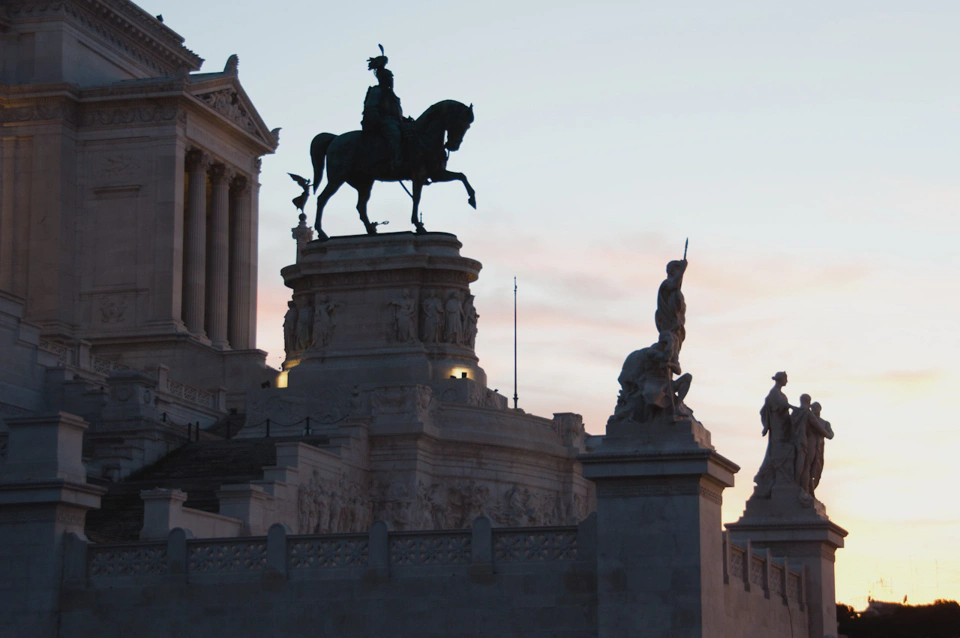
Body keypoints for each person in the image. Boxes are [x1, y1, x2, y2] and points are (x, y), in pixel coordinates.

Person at [362, 48, 404, 172]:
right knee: (394, 133)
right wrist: (379, 120)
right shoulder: (377, 91)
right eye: (388, 77)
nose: (391, 80)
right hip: (383, 123)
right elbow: (371, 108)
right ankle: (395, 160)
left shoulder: (392, 95)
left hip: (395, 121)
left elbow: (395, 113)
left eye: (391, 77)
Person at [753, 371, 792, 497]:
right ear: (781, 379)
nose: (787, 380)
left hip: (783, 425)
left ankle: (779, 476)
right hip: (777, 426)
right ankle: (767, 476)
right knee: (776, 449)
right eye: (785, 378)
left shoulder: (780, 393)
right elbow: (777, 406)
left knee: (783, 448)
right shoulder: (774, 393)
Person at [655, 258, 688, 357]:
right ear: (673, 271)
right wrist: (683, 269)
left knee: (675, 349)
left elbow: (677, 284)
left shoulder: (676, 290)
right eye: (678, 270)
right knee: (670, 347)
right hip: (669, 324)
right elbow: (673, 284)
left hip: (677, 327)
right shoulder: (666, 284)